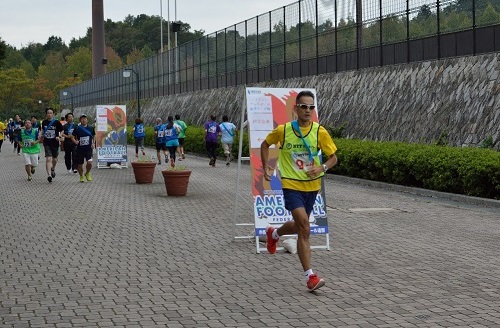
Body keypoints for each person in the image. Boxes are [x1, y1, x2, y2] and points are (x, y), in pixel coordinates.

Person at [260, 90, 338, 292]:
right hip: (290, 185)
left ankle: (274, 233)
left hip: (312, 187)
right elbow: (265, 144)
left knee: (299, 225)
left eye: (311, 107)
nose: (308, 110)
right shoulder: (284, 130)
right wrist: (266, 166)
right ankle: (310, 276)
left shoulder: (320, 131)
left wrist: (322, 167)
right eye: (304, 106)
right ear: (295, 109)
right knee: (305, 226)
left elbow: (333, 158)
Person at [41, 108, 64, 183]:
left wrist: (59, 136)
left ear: (53, 114)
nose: (49, 114)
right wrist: (40, 134)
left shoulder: (56, 122)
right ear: (46, 114)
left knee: (54, 159)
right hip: (47, 143)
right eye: (48, 113)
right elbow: (42, 130)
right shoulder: (44, 122)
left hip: (55, 143)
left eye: (51, 113)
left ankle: (53, 168)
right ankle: (49, 175)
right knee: (48, 159)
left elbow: (62, 130)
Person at [72, 114, 96, 182]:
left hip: (88, 149)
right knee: (80, 165)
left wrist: (93, 143)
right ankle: (81, 176)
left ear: (87, 120)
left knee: (89, 162)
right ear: (80, 120)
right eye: (82, 119)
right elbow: (72, 136)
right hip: (80, 149)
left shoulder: (91, 128)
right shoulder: (77, 128)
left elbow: (94, 136)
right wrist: (75, 141)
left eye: (85, 118)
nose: (83, 120)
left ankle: (87, 173)